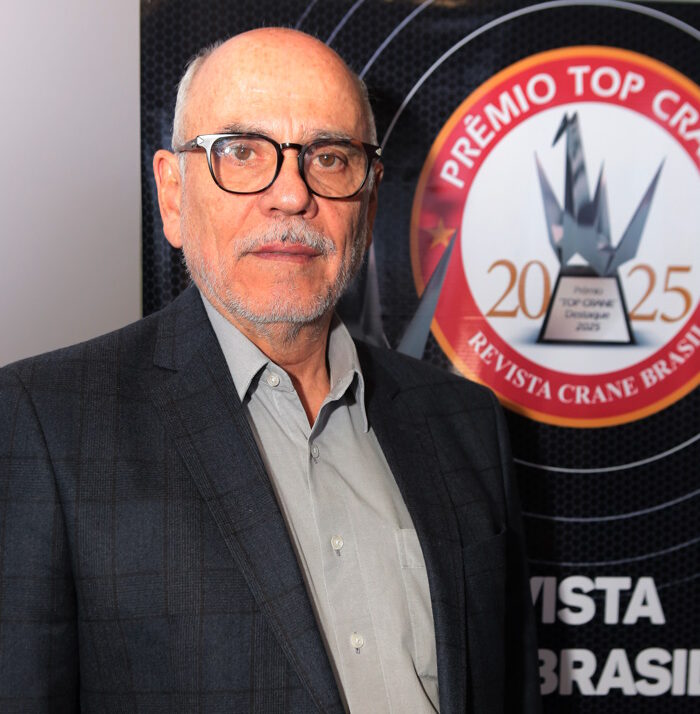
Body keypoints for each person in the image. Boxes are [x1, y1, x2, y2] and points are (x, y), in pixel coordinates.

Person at [0, 28, 540, 713]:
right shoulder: (44, 423)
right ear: (173, 194)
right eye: (241, 151)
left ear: (370, 201)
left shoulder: (465, 422)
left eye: (330, 157)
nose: (291, 195)